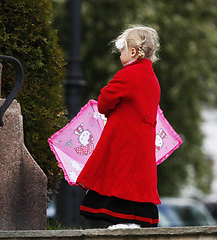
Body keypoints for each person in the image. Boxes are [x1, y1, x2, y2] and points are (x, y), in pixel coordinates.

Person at [76, 25, 161, 229]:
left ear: (133, 52)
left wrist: (105, 91)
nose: (120, 54)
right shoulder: (153, 79)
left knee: (118, 174)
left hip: (124, 137)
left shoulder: (127, 75)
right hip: (143, 139)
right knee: (137, 178)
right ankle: (136, 218)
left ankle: (120, 218)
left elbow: (105, 102)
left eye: (122, 49)